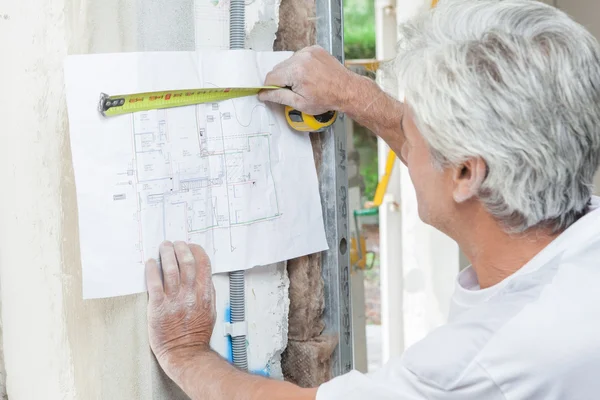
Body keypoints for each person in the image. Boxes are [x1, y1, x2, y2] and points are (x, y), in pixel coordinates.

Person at [144, 0, 600, 398]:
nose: (405, 133)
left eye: (414, 125)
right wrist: (353, 94)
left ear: (465, 173)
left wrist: (185, 352)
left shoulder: (484, 360)